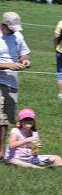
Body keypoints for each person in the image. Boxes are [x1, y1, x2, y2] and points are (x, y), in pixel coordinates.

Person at [0, 12, 32, 161]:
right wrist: (9, 65)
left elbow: (24, 53)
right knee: (0, 119)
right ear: (3, 25)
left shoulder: (18, 36)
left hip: (12, 83)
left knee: (7, 119)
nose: (13, 31)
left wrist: (25, 61)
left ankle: (4, 151)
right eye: (10, 28)